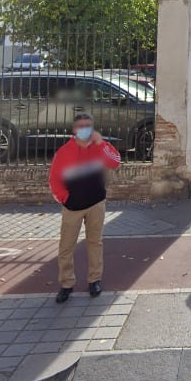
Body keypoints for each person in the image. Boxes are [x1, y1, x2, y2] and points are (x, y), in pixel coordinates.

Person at [49, 113, 121, 303]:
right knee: (66, 247)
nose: (84, 130)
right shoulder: (65, 152)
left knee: (94, 242)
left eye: (88, 126)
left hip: (96, 203)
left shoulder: (100, 148)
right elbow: (54, 179)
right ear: (74, 130)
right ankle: (66, 283)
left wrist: (101, 144)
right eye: (81, 126)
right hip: (72, 207)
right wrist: (65, 198)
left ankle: (94, 280)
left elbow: (115, 162)